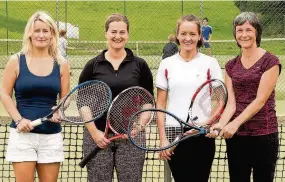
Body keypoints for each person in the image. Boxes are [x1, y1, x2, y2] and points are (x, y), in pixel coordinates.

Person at [78, 13, 153, 182]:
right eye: (113, 32)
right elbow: (83, 102)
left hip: (131, 138)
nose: (117, 36)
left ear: (127, 34)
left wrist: (138, 127)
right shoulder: (93, 65)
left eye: (122, 32)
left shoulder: (140, 65)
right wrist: (95, 133)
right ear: (106, 33)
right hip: (97, 136)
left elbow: (148, 101)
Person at [210, 12, 281, 182]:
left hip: (264, 136)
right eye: (239, 30)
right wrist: (220, 123)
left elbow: (260, 100)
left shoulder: (270, 62)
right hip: (237, 139)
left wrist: (234, 124)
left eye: (248, 29)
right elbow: (231, 103)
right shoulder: (231, 65)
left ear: (257, 32)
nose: (244, 34)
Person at [1, 11, 70, 182]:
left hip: (51, 136)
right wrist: (18, 120)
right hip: (22, 136)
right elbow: (4, 93)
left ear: (52, 34)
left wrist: (59, 111)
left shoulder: (62, 64)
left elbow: (65, 97)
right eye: (36, 30)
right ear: (29, 33)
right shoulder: (16, 61)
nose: (41, 35)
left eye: (45, 31)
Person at [156, 14, 223, 182]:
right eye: (184, 33)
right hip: (174, 132)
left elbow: (220, 100)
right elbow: (161, 104)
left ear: (199, 36)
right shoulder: (166, 64)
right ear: (177, 35)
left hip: (202, 133)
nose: (188, 38)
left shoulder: (210, 63)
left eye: (193, 34)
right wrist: (163, 138)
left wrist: (208, 123)